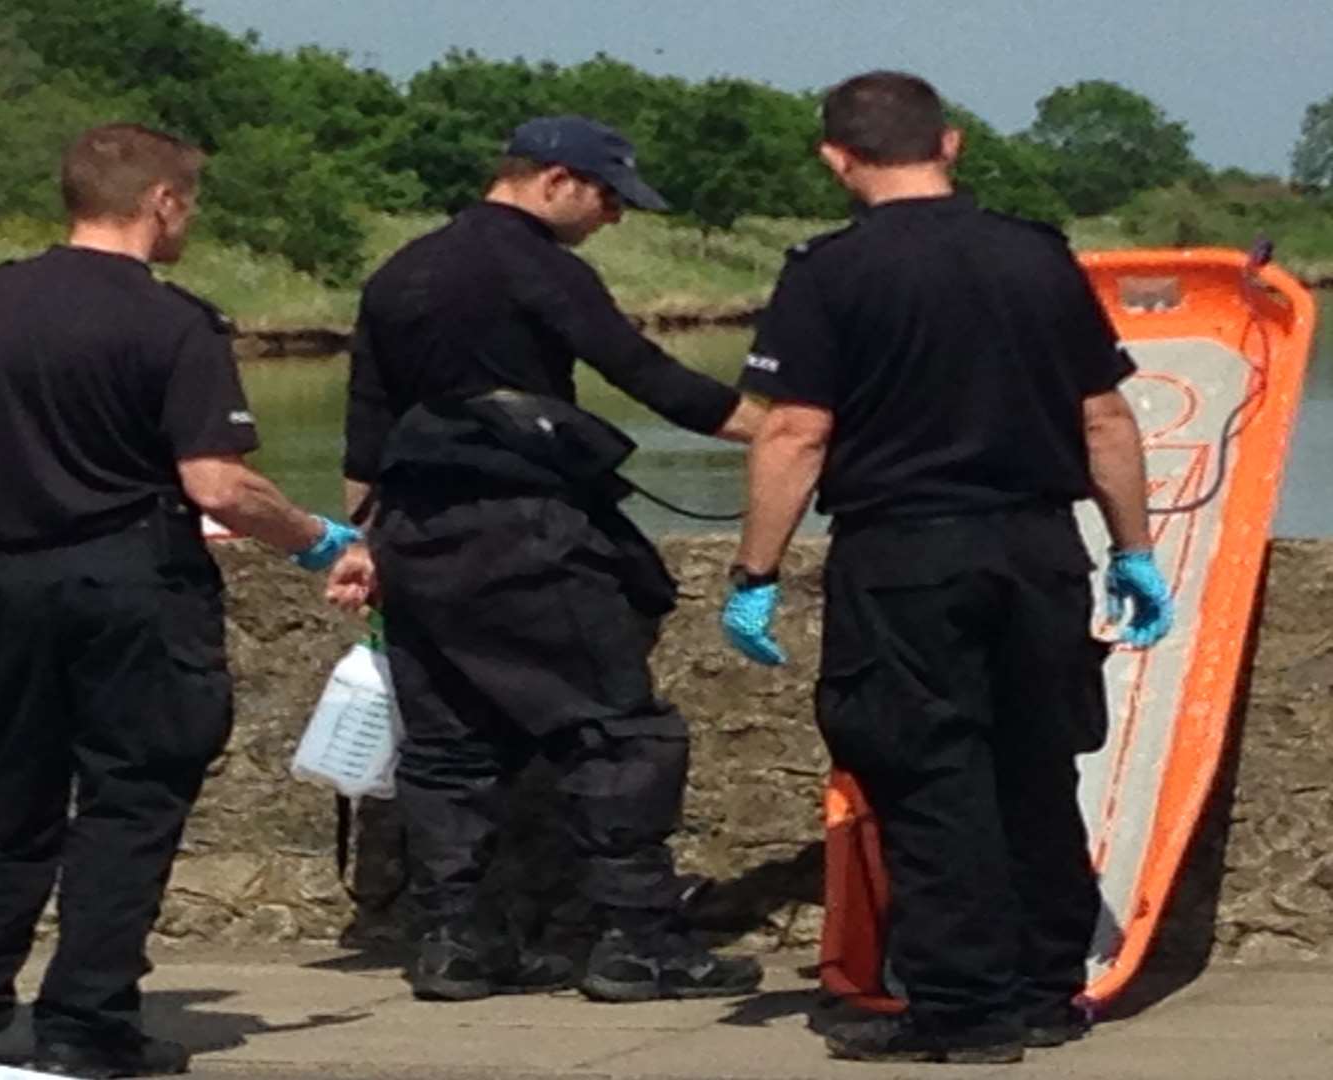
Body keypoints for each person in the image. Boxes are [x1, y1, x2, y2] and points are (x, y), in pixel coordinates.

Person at [720, 72, 1174, 1064]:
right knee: (1034, 765)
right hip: (1036, 545)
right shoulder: (1041, 258)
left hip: (904, 552)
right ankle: (1046, 990)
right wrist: (1134, 551)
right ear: (952, 144)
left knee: (929, 775)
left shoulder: (827, 274)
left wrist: (755, 571)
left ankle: (965, 1014)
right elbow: (1104, 418)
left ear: (836, 159)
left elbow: (795, 431)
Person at [0, 123, 361, 1078]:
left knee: (10, 801)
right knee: (129, 804)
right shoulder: (174, 322)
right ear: (162, 202)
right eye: (189, 202)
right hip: (132, 583)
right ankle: (84, 1024)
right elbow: (218, 486)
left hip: (8, 583)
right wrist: (321, 539)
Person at [324, 115, 767, 1004]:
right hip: (526, 531)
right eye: (609, 196)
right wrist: (784, 433)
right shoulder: (539, 267)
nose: (614, 217)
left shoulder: (398, 271)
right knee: (616, 729)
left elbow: (364, 433)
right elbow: (647, 376)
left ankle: (453, 943)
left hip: (414, 532)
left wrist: (365, 545)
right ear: (556, 180)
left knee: (449, 745)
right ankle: (638, 941)